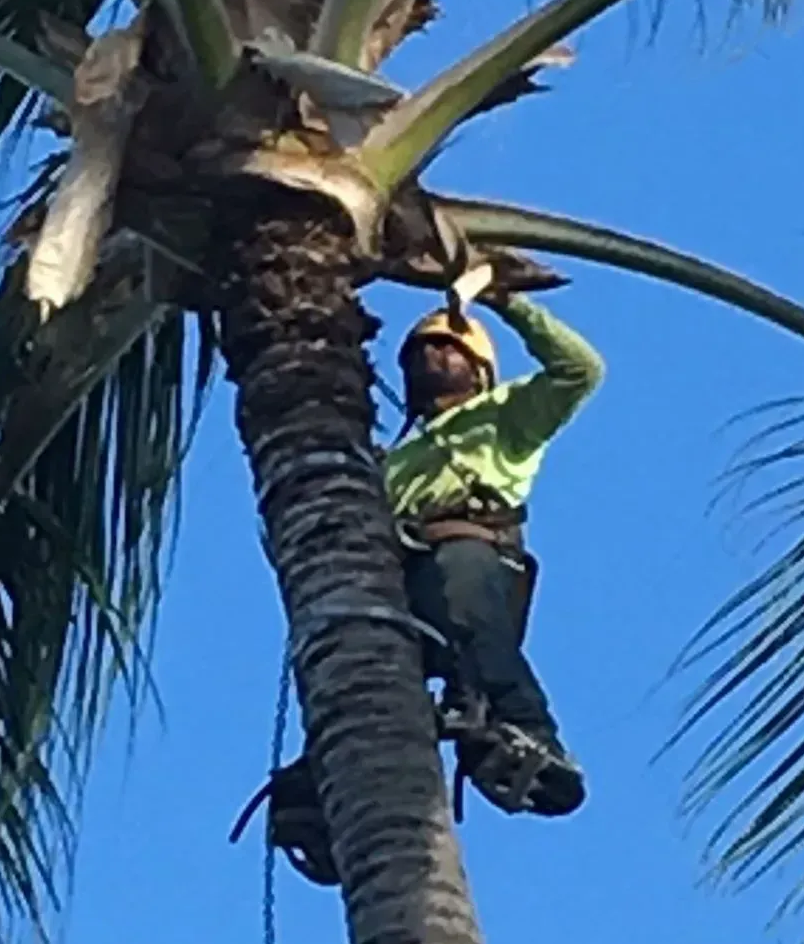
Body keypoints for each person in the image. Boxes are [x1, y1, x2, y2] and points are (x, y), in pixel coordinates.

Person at [255, 274, 603, 884]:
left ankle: (529, 733)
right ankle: (328, 782)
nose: (432, 357)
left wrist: (507, 302)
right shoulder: (393, 460)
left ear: (482, 373)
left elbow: (581, 371)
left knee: (471, 626)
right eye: (420, 352)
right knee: (367, 669)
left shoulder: (508, 416)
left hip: (470, 548)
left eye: (449, 349)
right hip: (399, 576)